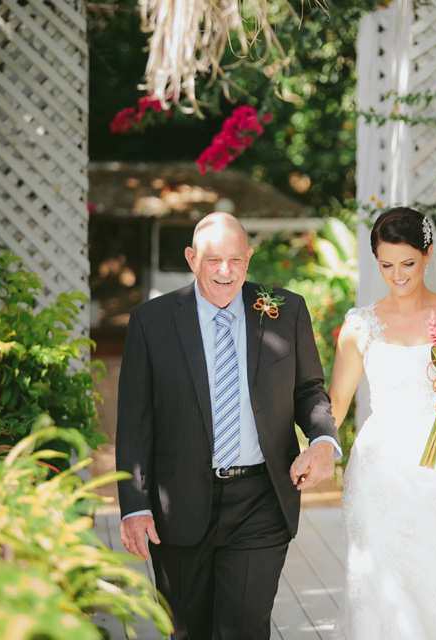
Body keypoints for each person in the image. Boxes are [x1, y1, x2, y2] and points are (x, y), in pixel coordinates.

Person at [116, 212, 341, 640]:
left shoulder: (284, 309)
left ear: (249, 258)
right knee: (188, 631)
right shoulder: (152, 321)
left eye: (236, 260)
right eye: (212, 259)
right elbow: (134, 423)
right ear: (190, 258)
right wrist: (135, 506)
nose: (225, 271)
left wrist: (323, 440)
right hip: (177, 503)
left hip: (260, 500)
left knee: (243, 628)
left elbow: (309, 390)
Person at [326, 207, 436, 639]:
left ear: (428, 254)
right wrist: (313, 445)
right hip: (378, 475)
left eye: (408, 263)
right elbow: (337, 403)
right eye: (386, 265)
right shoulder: (359, 324)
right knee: (380, 592)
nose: (397, 275)